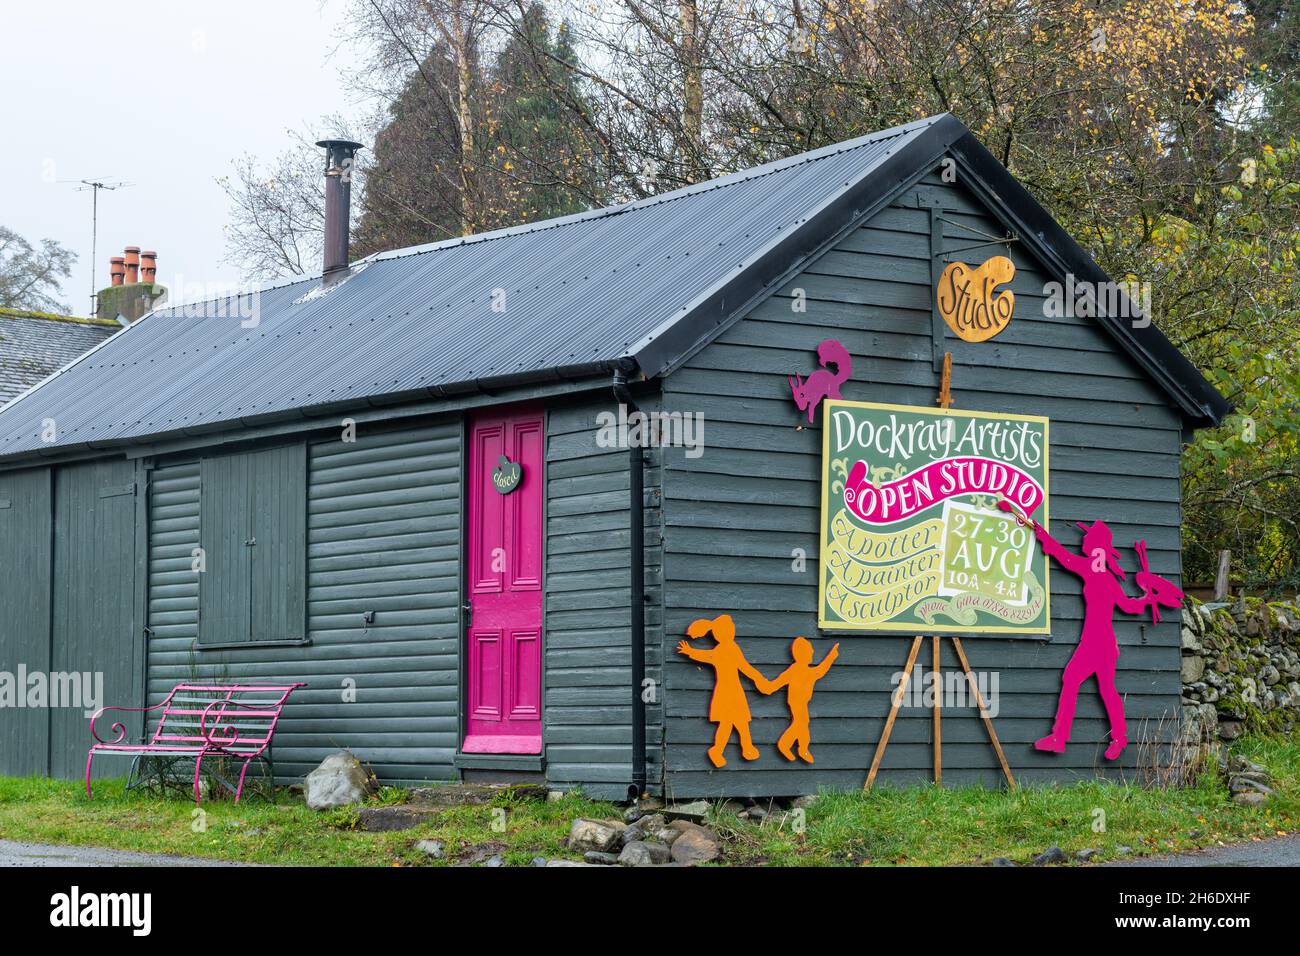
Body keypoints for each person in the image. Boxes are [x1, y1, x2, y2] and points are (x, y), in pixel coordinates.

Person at [1033, 519, 1153, 760]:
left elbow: (1064, 557)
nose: (1084, 540)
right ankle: (1118, 737)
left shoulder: (1093, 569)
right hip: (1105, 643)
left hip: (1095, 642)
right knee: (1106, 689)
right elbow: (1128, 606)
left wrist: (1044, 536)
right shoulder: (1106, 575)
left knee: (1074, 680)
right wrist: (1145, 599)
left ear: (1095, 545)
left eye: (1088, 538)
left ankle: (1060, 738)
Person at [677, 614, 770, 768]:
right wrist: (759, 679)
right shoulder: (725, 649)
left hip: (730, 691)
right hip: (729, 691)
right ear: (726, 632)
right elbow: (745, 667)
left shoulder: (729, 648)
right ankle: (732, 749)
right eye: (731, 629)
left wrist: (690, 651)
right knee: (733, 723)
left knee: (735, 722)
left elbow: (740, 666)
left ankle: (737, 748)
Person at [766, 637, 839, 763]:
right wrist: (831, 657)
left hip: (801, 702)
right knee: (801, 724)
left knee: (802, 724)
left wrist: (831, 656)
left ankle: (798, 748)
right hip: (796, 702)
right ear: (803, 654)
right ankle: (792, 746)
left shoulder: (805, 671)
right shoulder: (796, 670)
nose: (812, 652)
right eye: (810, 651)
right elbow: (779, 682)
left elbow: (819, 671)